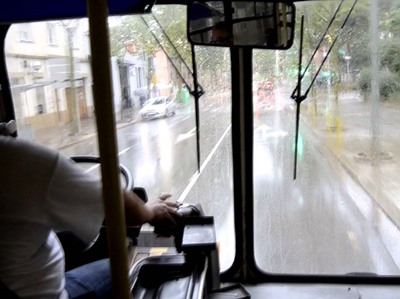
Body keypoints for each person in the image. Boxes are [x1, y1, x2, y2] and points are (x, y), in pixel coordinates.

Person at [0, 135, 181, 299]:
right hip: (48, 294)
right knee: (116, 269)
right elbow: (118, 205)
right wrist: (150, 211)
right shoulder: (16, 158)